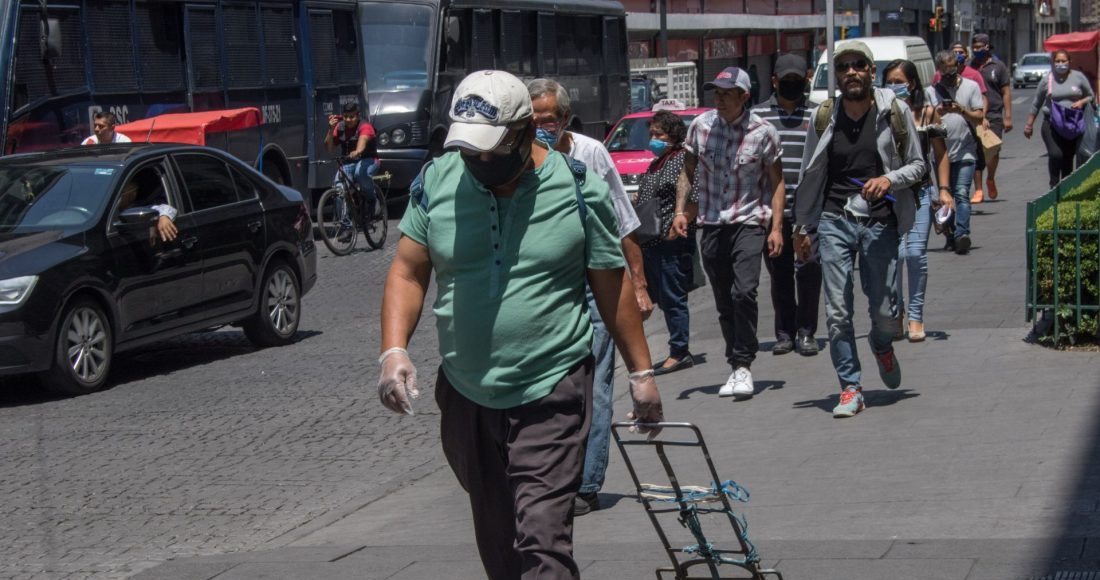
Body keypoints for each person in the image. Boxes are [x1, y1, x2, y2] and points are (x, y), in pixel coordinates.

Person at [377, 70, 664, 580]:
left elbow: (611, 283)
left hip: (551, 387)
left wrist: (642, 374)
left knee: (542, 539)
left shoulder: (578, 187)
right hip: (467, 394)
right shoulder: (438, 181)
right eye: (471, 152)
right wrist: (393, 351)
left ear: (526, 130)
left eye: (491, 151)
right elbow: (407, 270)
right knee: (500, 546)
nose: (480, 162)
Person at [526, 78, 653, 517]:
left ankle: (587, 482)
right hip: (548, 285)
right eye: (533, 119)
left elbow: (621, 221)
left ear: (564, 119)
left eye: (549, 120)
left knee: (595, 386)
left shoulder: (589, 153)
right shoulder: (516, 157)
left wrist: (637, 284)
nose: (541, 127)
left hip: (594, 279)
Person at [793, 40, 925, 418]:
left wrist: (889, 180)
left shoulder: (893, 111)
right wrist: (803, 227)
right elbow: (809, 174)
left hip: (880, 222)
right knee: (837, 310)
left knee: (886, 310)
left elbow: (918, 165)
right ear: (837, 75)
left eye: (858, 65)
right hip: (834, 220)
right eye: (844, 67)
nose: (851, 72)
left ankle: (882, 345)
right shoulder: (825, 117)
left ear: (871, 71)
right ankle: (850, 387)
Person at [670, 66, 785, 399]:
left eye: (725, 93)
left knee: (743, 292)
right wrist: (681, 211)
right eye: (715, 93)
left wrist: (776, 227)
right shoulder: (700, 127)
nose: (718, 99)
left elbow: (777, 182)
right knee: (723, 299)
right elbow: (687, 173)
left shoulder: (763, 132)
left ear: (743, 97)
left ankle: (744, 362)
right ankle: (735, 364)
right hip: (710, 222)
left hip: (749, 221)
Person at [751, 53, 822, 356]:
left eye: (798, 79)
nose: (792, 85)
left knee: (808, 270)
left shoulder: (819, 115)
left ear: (806, 78)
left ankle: (806, 332)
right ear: (774, 81)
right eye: (786, 80)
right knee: (779, 275)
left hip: (808, 210)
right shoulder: (757, 116)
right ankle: (784, 332)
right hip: (772, 213)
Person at [883, 59, 953, 342]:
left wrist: (945, 189)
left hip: (921, 192)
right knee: (896, 256)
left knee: (915, 254)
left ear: (911, 84)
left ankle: (916, 316)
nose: (894, 86)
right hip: (889, 194)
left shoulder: (926, 113)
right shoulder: (881, 113)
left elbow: (940, 154)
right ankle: (896, 312)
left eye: (899, 81)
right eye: (889, 81)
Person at [636, 110, 698, 374]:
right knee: (660, 296)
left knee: (674, 296)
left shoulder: (682, 161)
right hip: (651, 240)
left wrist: (679, 222)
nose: (654, 140)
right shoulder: (656, 163)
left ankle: (680, 351)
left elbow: (694, 198)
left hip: (671, 239)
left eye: (659, 135)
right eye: (651, 135)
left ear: (673, 135)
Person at [931, 49, 984, 255]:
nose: (949, 73)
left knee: (961, 193)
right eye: (945, 70)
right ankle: (950, 235)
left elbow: (979, 116)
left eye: (953, 68)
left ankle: (962, 234)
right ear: (939, 70)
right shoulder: (932, 92)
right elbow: (926, 118)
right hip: (940, 153)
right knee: (946, 196)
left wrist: (961, 110)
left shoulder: (971, 87)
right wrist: (939, 112)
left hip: (966, 151)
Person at [1024, 49, 1095, 188]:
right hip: (1051, 124)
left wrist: (1081, 102)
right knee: (1056, 155)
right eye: (1058, 61)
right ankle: (1054, 185)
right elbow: (1036, 103)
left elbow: (1091, 96)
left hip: (1072, 125)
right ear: (1053, 62)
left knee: (1068, 159)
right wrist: (1029, 125)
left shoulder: (1078, 77)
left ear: (1069, 62)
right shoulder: (1047, 80)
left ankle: (1065, 192)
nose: (1061, 64)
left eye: (1063, 61)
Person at [970, 33, 1013, 201]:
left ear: (987, 47)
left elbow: (1006, 92)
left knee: (993, 150)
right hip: (974, 114)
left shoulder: (999, 66)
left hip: (994, 114)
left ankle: (990, 178)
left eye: (979, 47)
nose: (976, 51)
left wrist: (1008, 116)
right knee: (976, 152)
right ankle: (978, 189)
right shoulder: (970, 67)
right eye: (974, 48)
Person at [324, 102, 380, 203]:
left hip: (368, 160)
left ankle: (372, 201)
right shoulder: (340, 127)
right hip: (348, 163)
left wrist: (357, 151)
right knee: (339, 190)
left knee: (360, 173)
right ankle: (344, 218)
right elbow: (328, 148)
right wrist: (331, 130)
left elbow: (362, 140)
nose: (348, 120)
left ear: (358, 116)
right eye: (345, 117)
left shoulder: (365, 126)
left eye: (351, 117)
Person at [118, 171, 178, 243]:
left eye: (122, 193)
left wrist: (163, 217)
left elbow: (163, 208)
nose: (119, 198)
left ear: (133, 193)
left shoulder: (134, 207)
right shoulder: (108, 208)